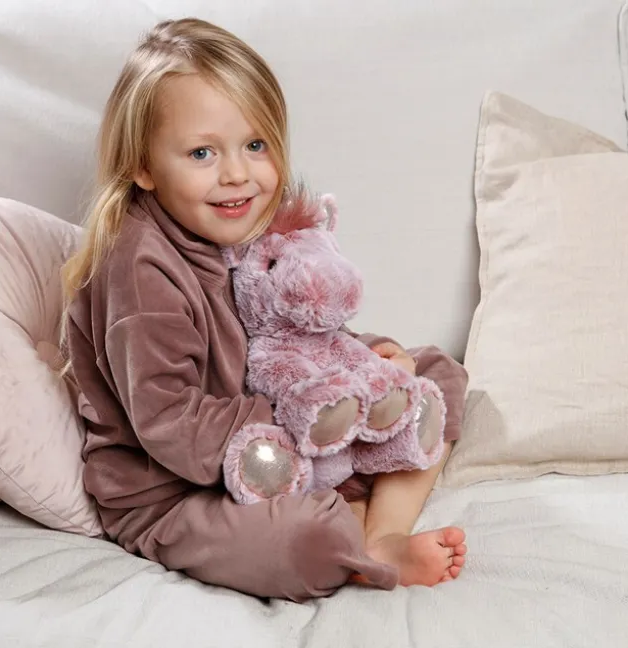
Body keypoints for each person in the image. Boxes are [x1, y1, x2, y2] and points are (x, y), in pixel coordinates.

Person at [60, 17, 469, 602]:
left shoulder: (255, 222)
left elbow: (295, 330)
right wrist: (306, 415)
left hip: (295, 435)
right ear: (143, 166)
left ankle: (383, 534)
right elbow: (167, 420)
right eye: (202, 152)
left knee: (436, 374)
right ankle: (346, 527)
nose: (236, 174)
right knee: (305, 544)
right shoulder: (139, 268)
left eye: (255, 145)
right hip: (177, 488)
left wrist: (365, 361)